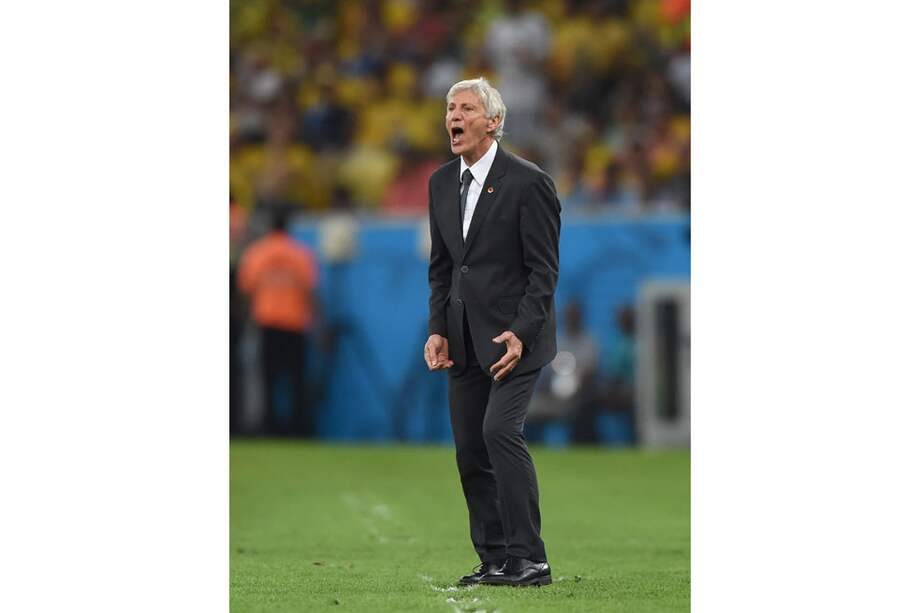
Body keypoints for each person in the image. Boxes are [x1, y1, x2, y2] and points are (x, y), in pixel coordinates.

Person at [424, 77, 561, 587]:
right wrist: (438, 328)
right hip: (461, 341)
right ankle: (496, 557)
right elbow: (442, 267)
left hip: (514, 341)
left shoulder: (529, 182)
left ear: (493, 122)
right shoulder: (440, 183)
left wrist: (523, 332)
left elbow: (544, 271)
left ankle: (531, 558)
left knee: (499, 432)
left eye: (464, 108)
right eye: (449, 108)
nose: (452, 117)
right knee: (470, 450)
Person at [237, 209, 319, 437]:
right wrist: (318, 326)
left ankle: (269, 429)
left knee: (268, 381)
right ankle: (298, 430)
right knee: (296, 382)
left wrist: (247, 320)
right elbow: (310, 292)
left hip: (267, 322)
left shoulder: (256, 253)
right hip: (295, 324)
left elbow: (246, 291)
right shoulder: (301, 254)